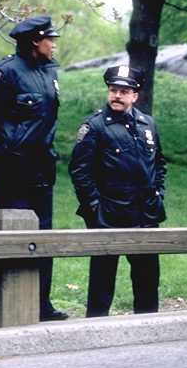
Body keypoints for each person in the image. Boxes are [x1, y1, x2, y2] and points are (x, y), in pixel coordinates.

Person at [0, 15, 68, 322]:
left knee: (44, 235)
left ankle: (41, 303)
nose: (54, 44)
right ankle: (11, 304)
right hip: (10, 169)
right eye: (50, 39)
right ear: (36, 41)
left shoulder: (50, 71)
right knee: (15, 236)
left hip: (41, 168)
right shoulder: (5, 72)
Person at [69, 66, 167, 317]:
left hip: (144, 214)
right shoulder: (95, 126)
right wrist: (94, 207)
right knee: (102, 279)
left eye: (124, 91)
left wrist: (158, 195)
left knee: (147, 278)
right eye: (113, 90)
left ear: (135, 95)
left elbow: (160, 165)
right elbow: (80, 171)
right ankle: (95, 329)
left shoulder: (148, 124)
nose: (117, 96)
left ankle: (148, 328)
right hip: (108, 213)